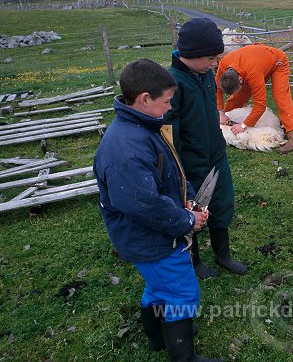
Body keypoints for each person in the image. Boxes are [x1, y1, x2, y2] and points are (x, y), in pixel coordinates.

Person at [94, 59, 222, 361]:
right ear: (145, 99)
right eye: (166, 102)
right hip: (152, 241)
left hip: (151, 237)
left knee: (158, 288)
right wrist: (187, 219)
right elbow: (144, 204)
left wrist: (188, 198)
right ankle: (184, 357)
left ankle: (157, 339)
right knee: (180, 292)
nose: (169, 108)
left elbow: (167, 174)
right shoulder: (127, 148)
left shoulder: (142, 126)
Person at [166, 17, 248, 279]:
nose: (216, 63)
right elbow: (171, 132)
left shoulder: (205, 75)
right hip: (191, 161)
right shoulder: (173, 84)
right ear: (192, 54)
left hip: (216, 154)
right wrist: (179, 167)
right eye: (211, 58)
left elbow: (212, 108)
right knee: (194, 209)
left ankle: (223, 255)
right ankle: (195, 260)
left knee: (222, 203)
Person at [216, 43, 293, 154]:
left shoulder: (253, 72)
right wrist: (220, 112)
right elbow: (216, 89)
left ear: (240, 80)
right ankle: (226, 127)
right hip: (254, 61)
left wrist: (243, 126)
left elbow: (260, 104)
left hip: (276, 62)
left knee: (281, 97)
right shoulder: (223, 64)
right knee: (237, 98)